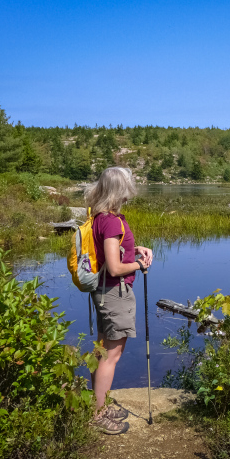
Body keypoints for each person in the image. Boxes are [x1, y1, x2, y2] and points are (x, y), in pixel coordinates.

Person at [84, 166, 153, 434]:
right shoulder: (112, 221)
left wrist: (135, 249)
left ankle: (98, 404)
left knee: (102, 350)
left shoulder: (101, 217)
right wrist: (139, 264)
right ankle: (98, 415)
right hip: (115, 293)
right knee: (111, 355)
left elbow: (109, 251)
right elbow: (114, 267)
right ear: (120, 189)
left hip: (104, 293)